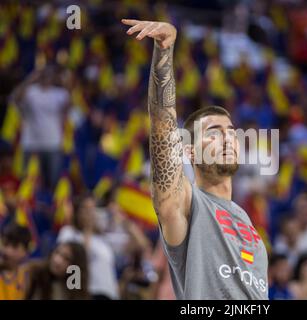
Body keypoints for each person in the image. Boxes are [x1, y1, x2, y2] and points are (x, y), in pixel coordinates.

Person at [120, 18, 268, 300]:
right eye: (214, 132)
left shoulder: (249, 223)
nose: (227, 138)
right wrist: (164, 51)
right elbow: (163, 126)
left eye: (230, 132)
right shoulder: (187, 203)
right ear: (189, 150)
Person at [10, 66, 70, 190]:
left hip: (52, 143)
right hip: (31, 142)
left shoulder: (60, 93)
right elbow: (14, 99)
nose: (46, 77)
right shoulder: (31, 91)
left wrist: (63, 81)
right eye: (43, 74)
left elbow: (69, 108)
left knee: (53, 183)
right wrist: (29, 80)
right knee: (27, 182)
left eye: (49, 74)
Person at [57, 195, 119, 299]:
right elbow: (77, 261)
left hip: (109, 294)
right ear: (77, 212)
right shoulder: (69, 233)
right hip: (87, 292)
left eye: (92, 209)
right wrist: (87, 230)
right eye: (85, 208)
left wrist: (124, 220)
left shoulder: (102, 239)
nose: (90, 213)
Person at [25, 242, 89, 300]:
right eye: (57, 252)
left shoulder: (76, 291)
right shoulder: (34, 273)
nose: (57, 260)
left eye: (66, 259)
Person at [0, 223, 32, 300]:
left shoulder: (28, 277)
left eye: (15, 247)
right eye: (5, 244)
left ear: (25, 251)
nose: (7, 251)